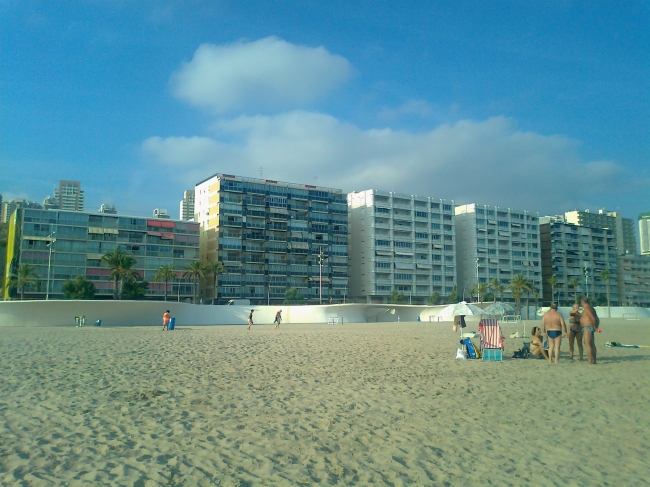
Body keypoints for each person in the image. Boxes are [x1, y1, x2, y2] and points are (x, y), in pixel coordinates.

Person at [580, 297, 600, 364]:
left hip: (588, 327)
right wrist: (596, 326)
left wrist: (595, 327)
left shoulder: (587, 309)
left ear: (583, 303)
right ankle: (593, 360)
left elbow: (593, 318)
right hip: (590, 327)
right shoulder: (591, 308)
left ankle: (590, 360)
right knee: (591, 343)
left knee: (587, 343)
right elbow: (596, 318)